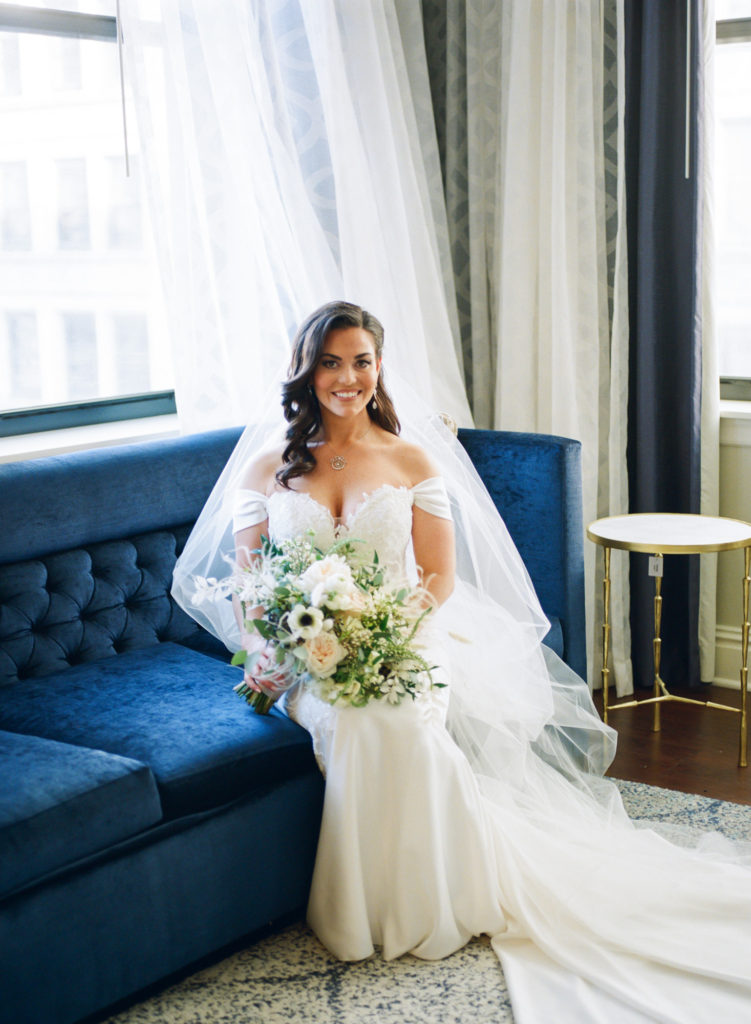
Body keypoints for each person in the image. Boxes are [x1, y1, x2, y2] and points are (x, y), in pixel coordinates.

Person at [174, 301, 751, 1024]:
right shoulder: (266, 468)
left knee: (397, 720)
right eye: (330, 362)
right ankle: (359, 914)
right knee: (355, 724)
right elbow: (253, 588)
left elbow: (437, 579)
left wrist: (384, 633)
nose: (347, 377)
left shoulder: (411, 458)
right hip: (304, 655)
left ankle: (440, 900)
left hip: (407, 637)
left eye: (361, 361)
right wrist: (274, 649)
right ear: (306, 370)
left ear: (379, 368)